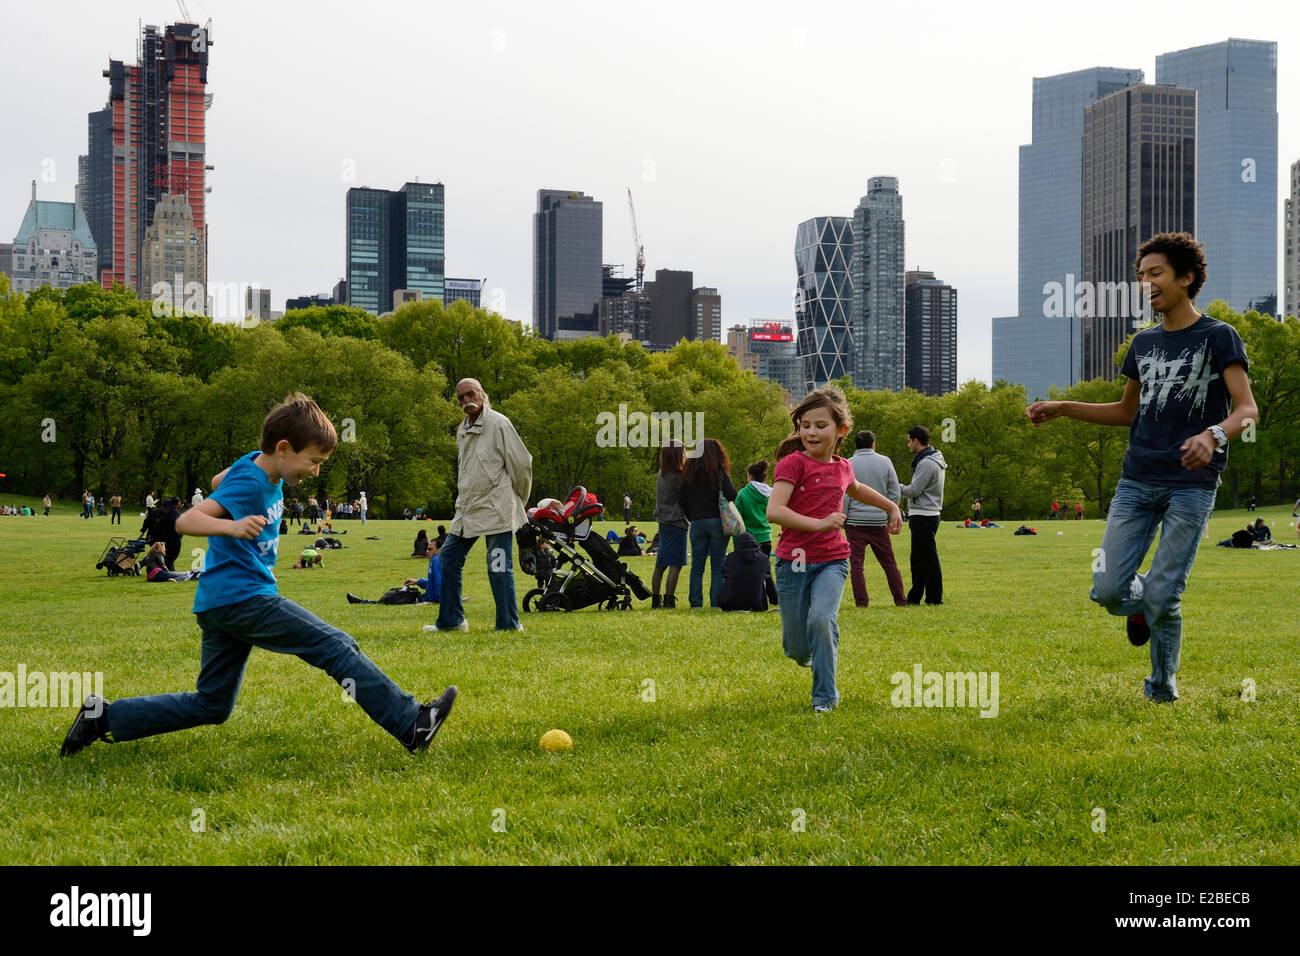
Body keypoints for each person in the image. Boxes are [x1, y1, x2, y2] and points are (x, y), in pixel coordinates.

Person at [60, 392, 457, 759]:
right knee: (336, 645)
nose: (316, 472)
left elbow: (219, 482)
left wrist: (229, 491)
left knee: (213, 704)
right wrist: (231, 526)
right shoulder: (252, 481)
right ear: (283, 448)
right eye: (313, 461)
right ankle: (411, 723)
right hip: (244, 598)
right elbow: (186, 521)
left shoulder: (258, 464)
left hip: (220, 603)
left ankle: (104, 718)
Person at [1026, 232, 1257, 703]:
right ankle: (1141, 607)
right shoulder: (1143, 342)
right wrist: (1065, 406)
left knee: (1165, 594)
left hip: (1191, 485)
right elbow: (1127, 411)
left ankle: (1160, 686)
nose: (1145, 283)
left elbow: (1247, 409)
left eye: (1155, 274)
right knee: (1109, 588)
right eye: (1140, 276)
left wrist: (1212, 436)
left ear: (1186, 277)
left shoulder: (1218, 336)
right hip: (1137, 480)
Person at [767, 387, 903, 712]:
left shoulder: (843, 467)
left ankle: (825, 698)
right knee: (796, 649)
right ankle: (815, 658)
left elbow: (857, 489)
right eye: (805, 425)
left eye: (820, 425)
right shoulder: (792, 464)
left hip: (832, 560)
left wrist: (891, 507)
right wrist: (819, 523)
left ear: (841, 430)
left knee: (821, 621)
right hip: (794, 561)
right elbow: (774, 510)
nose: (811, 432)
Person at [430, 378, 532, 633]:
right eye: (461, 397)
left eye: (470, 394)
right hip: (467, 510)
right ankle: (452, 622)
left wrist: (517, 500)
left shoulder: (499, 423)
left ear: (482, 394)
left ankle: (509, 625)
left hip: (497, 509)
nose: (466, 400)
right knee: (448, 559)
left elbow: (522, 464)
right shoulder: (462, 429)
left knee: (498, 567)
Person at [843, 430, 908, 608]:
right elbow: (894, 490)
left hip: (855, 522)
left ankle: (861, 602)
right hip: (879, 522)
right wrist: (889, 512)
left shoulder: (849, 463)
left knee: (856, 565)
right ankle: (900, 600)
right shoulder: (885, 461)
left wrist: (845, 517)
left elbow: (846, 494)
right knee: (889, 564)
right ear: (874, 443)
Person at [681, 437, 737, 609]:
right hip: (717, 522)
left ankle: (695, 603)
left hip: (697, 523)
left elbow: (681, 500)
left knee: (697, 566)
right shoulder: (720, 475)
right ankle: (715, 602)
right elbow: (732, 494)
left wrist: (692, 516)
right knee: (718, 564)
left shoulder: (688, 475)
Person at [900, 425, 948, 606]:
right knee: (919, 558)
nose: (908, 445)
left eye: (909, 441)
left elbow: (914, 490)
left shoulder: (926, 463)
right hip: (927, 514)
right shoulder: (932, 460)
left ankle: (934, 598)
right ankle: (915, 597)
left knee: (927, 559)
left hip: (923, 515)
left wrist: (893, 486)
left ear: (916, 440)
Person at [734, 460, 778, 607]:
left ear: (750, 476)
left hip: (749, 538)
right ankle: (774, 597)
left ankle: (757, 599)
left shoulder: (743, 493)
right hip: (765, 536)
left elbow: (738, 516)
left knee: (750, 571)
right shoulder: (772, 493)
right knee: (765, 569)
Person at [652, 441, 688, 609]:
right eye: (684, 451)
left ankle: (655, 598)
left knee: (661, 562)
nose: (685, 454)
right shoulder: (678, 475)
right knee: (676, 563)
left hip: (663, 520)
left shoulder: (662, 472)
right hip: (677, 521)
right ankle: (669, 599)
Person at [717, 532, 776, 612]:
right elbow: (769, 582)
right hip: (757, 603)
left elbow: (724, 574)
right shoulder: (764, 559)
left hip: (730, 603)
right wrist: (775, 600)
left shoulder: (730, 557)